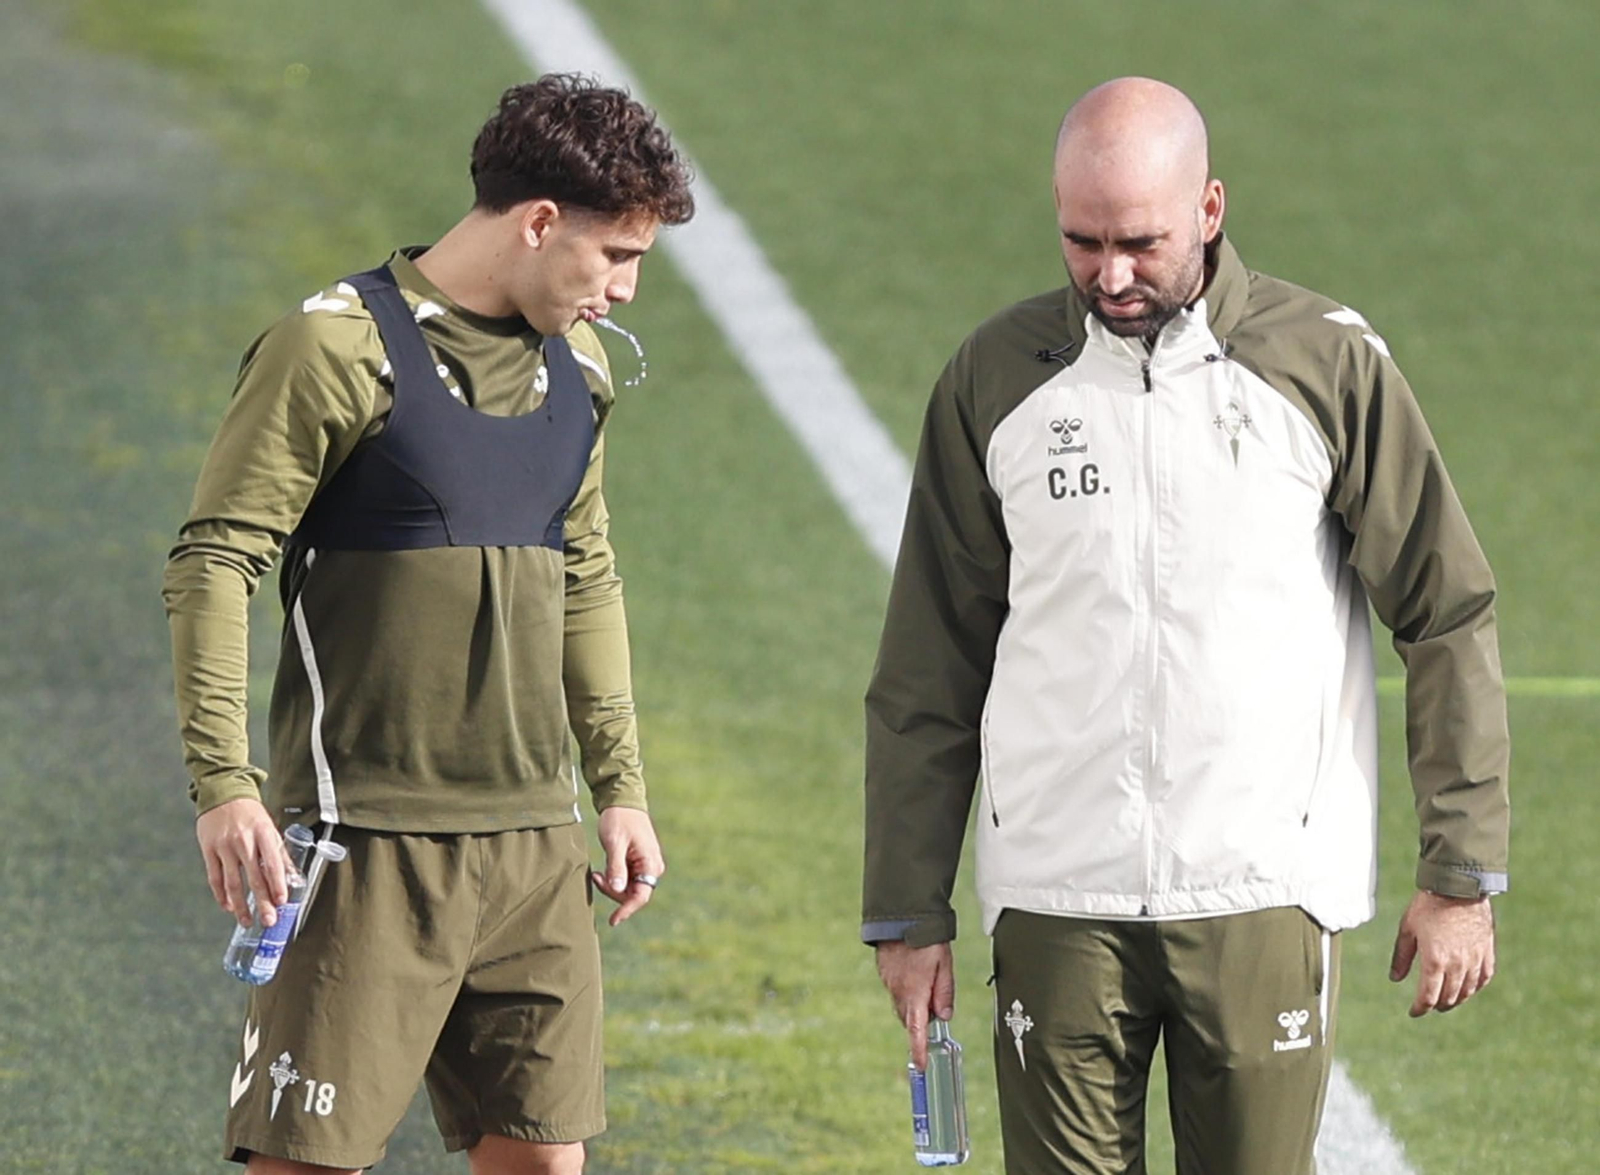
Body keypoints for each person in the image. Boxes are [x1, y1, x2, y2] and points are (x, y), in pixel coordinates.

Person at [862, 76, 1509, 1174]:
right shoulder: (994, 378)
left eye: (1140, 243)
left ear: (1209, 209)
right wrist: (905, 909)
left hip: (1261, 890)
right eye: (1082, 242)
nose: (1110, 276)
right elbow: (930, 661)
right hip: (1057, 896)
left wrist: (1461, 871)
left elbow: (1446, 610)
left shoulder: (1327, 363)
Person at [162, 74, 694, 1174]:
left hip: (535, 845)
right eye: (617, 254)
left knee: (542, 1160)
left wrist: (620, 786)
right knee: (309, 1163)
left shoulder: (581, 369)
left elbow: (585, 573)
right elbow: (216, 559)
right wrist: (223, 783)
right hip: (365, 842)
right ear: (539, 223)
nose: (626, 289)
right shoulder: (333, 350)